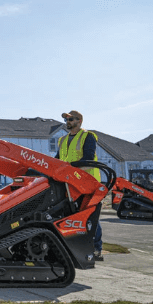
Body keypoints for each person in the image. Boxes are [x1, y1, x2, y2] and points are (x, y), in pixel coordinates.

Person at [55, 110, 104, 261]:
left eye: (70, 119)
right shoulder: (62, 140)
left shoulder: (87, 136)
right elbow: (58, 160)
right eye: (66, 119)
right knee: (71, 216)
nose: (67, 121)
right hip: (69, 183)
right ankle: (73, 247)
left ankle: (96, 248)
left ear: (79, 121)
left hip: (87, 182)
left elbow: (88, 157)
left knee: (89, 215)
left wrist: (70, 170)